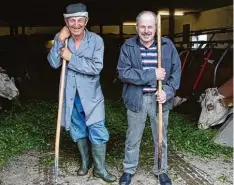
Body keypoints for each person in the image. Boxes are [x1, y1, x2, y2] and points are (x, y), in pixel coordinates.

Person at [47, 3, 116, 183]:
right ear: (66, 22)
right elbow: (54, 63)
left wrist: (71, 57)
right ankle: (85, 164)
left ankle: (100, 169)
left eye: (80, 20)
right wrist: (59, 41)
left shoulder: (96, 41)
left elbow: (96, 67)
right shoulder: (63, 39)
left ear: (86, 21)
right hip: (70, 96)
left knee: (98, 130)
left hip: (92, 97)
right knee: (78, 130)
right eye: (72, 20)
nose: (76, 24)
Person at [117, 11, 181, 185]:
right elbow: (124, 73)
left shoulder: (167, 45)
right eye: (142, 26)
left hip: (160, 99)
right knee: (133, 138)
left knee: (161, 138)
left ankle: (161, 171)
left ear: (156, 28)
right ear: (137, 27)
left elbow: (176, 72)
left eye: (150, 27)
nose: (146, 30)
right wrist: (152, 74)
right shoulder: (128, 46)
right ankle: (129, 169)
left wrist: (167, 91)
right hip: (136, 99)